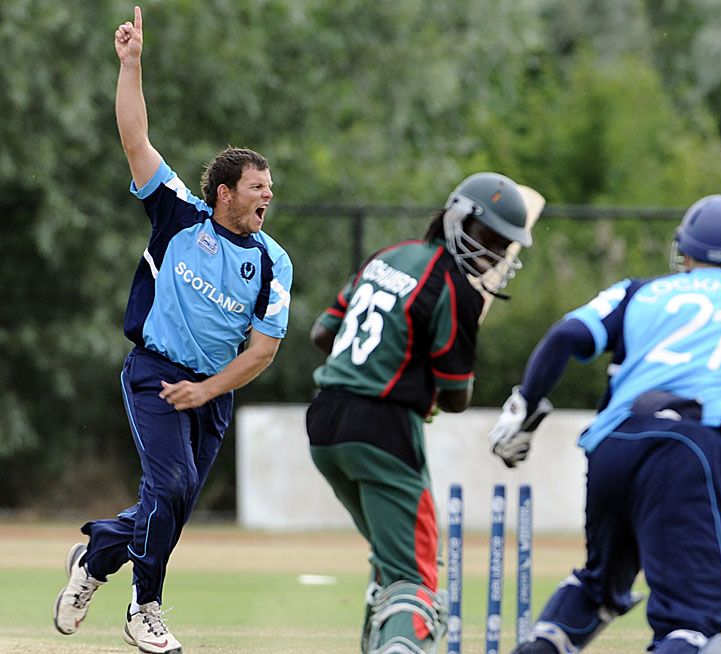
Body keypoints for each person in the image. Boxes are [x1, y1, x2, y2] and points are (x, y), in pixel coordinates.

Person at [488, 194, 721, 654]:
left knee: (598, 587)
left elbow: (566, 335)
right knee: (692, 630)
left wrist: (525, 406)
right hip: (692, 450)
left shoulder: (639, 291)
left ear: (683, 253)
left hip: (614, 444)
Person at [52, 6, 293, 653]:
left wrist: (210, 390)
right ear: (224, 193)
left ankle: (98, 556)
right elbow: (136, 138)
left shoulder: (273, 261)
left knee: (172, 504)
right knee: (174, 487)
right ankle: (145, 609)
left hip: (213, 389)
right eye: (257, 188)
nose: (267, 197)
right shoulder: (180, 215)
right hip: (154, 372)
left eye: (270, 188)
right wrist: (130, 65)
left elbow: (264, 351)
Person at [307, 173, 532, 654]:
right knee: (417, 574)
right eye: (487, 237)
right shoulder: (458, 290)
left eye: (501, 245)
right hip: (384, 429)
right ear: (455, 219)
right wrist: (417, 383)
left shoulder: (389, 255)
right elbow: (456, 398)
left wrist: (396, 366)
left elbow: (324, 334)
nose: (491, 253)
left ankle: (381, 637)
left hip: (325, 422)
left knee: (392, 557)